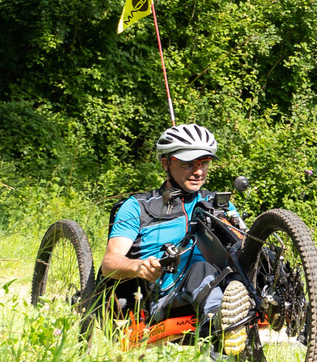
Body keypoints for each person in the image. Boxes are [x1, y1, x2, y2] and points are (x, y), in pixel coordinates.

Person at [97, 123, 245, 343]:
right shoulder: (138, 207)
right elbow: (109, 263)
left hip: (219, 286)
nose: (198, 171)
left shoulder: (219, 205)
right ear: (166, 163)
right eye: (187, 164)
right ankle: (222, 322)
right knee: (201, 269)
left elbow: (242, 243)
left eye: (204, 163)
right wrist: (138, 266)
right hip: (161, 300)